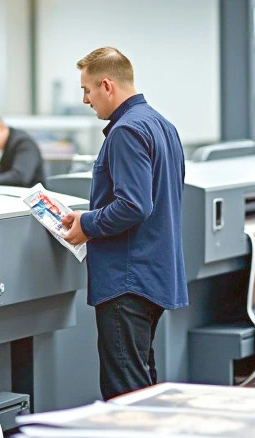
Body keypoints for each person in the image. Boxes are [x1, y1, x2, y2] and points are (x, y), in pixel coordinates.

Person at [61, 47, 187, 400]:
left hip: (127, 281)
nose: (86, 100)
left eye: (87, 90)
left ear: (107, 85)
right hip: (153, 274)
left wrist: (87, 223)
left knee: (124, 394)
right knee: (141, 384)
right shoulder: (161, 125)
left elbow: (133, 205)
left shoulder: (126, 131)